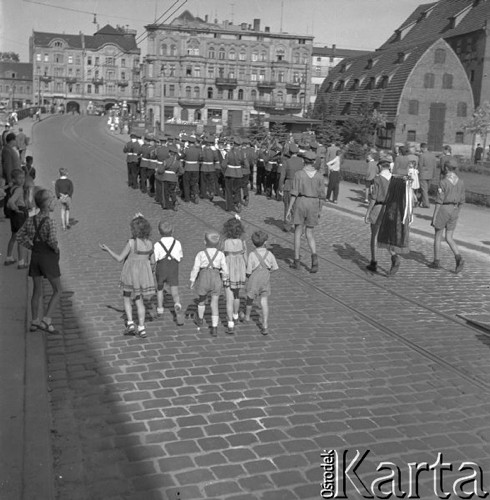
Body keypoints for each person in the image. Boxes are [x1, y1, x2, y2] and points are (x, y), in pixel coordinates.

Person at [99, 214, 155, 338]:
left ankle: (130, 323)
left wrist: (108, 249)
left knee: (126, 298)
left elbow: (119, 258)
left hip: (130, 274)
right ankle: (142, 327)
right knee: (140, 302)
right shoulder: (150, 244)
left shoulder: (131, 242)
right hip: (142, 276)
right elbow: (153, 262)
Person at [16, 189, 61, 333]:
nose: (54, 201)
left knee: (37, 290)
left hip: (35, 256)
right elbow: (52, 240)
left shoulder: (30, 219)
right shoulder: (49, 221)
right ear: (47, 204)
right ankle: (46, 320)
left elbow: (19, 236)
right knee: (58, 290)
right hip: (47, 257)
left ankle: (34, 321)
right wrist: (55, 249)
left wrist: (31, 246)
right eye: (53, 199)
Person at [286, 150, 326, 273]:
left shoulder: (299, 174)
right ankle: (314, 259)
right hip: (313, 203)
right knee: (310, 233)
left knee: (298, 232)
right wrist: (319, 209)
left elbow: (294, 193)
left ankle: (296, 261)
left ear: (304, 160)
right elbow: (322, 196)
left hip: (301, 202)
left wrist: (289, 209)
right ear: (314, 162)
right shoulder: (319, 176)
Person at [189, 231, 229, 336]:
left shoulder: (201, 254)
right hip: (216, 278)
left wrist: (192, 280)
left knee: (201, 300)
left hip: (204, 278)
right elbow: (225, 269)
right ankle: (214, 327)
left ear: (204, 242)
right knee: (214, 303)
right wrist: (225, 279)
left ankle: (200, 319)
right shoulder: (220, 254)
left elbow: (195, 268)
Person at [428, 162, 465, 273]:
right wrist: (457, 211)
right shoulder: (461, 182)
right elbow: (462, 200)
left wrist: (434, 217)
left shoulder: (443, 182)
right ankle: (458, 257)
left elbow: (439, 201)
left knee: (438, 235)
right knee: (449, 237)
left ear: (447, 168)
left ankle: (436, 261)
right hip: (455, 209)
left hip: (444, 209)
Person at [242, 230, 278, 336]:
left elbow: (248, 271)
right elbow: (275, 268)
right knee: (264, 301)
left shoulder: (253, 255)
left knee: (250, 298)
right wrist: (267, 271)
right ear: (265, 242)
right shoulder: (269, 254)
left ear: (253, 243)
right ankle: (265, 324)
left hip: (254, 280)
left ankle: (247, 316)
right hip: (265, 280)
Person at [364, 157, 393, 273]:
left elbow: (373, 198)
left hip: (379, 207)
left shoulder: (377, 179)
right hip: (390, 208)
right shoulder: (394, 179)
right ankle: (394, 257)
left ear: (380, 166)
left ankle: (374, 262)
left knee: (374, 236)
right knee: (387, 237)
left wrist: (368, 213)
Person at [154, 221, 185, 325]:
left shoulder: (157, 244)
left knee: (159, 289)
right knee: (174, 291)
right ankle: (177, 304)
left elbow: (155, 258)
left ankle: (160, 309)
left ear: (159, 232)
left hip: (161, 267)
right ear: (173, 231)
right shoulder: (177, 243)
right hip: (173, 268)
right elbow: (180, 257)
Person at [221, 216, 247, 335]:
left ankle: (230, 323)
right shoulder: (242, 243)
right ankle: (236, 316)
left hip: (228, 272)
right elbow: (245, 258)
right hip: (239, 272)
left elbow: (222, 256)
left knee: (228, 299)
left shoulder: (225, 243)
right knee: (237, 295)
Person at [4, 168, 28, 268]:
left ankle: (9, 257)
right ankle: (21, 262)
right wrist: (16, 209)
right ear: (13, 179)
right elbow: (10, 202)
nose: (22, 180)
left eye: (23, 178)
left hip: (14, 216)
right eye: (19, 178)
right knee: (21, 238)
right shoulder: (19, 189)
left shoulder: (12, 188)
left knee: (14, 236)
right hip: (19, 214)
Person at [278, 143, 304, 232]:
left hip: (289, 186)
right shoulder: (302, 162)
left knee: (287, 205)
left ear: (289, 152)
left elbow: (282, 177)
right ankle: (299, 226)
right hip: (300, 186)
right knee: (299, 207)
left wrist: (280, 188)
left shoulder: (287, 162)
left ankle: (287, 225)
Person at [222, 137, 245, 212]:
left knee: (228, 190)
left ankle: (228, 207)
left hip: (229, 174)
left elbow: (223, 165)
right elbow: (245, 164)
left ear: (233, 144)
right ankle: (237, 202)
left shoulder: (228, 153)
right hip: (238, 174)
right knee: (237, 190)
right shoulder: (242, 153)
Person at [181, 136, 201, 204]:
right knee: (194, 183)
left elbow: (182, 156)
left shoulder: (186, 150)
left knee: (186, 183)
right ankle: (195, 194)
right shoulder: (198, 150)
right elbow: (200, 158)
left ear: (189, 143)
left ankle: (187, 198)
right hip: (195, 168)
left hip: (187, 168)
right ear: (194, 143)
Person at [417, 143, 437, 208]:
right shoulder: (432, 155)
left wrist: (418, 173)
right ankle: (421, 200)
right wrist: (434, 174)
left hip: (423, 174)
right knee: (426, 189)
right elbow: (434, 166)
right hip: (430, 174)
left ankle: (426, 203)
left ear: (422, 148)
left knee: (424, 190)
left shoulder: (422, 156)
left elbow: (420, 165)